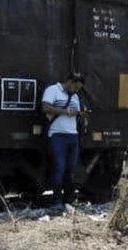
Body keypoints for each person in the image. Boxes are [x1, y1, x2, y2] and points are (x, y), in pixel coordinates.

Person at [41, 73, 86, 208]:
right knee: (59, 167)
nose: (76, 90)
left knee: (70, 169)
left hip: (73, 135)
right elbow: (45, 107)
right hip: (57, 135)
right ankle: (56, 200)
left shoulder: (75, 96)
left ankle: (68, 200)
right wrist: (66, 112)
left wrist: (81, 115)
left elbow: (74, 113)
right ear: (69, 82)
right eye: (75, 87)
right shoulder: (53, 90)